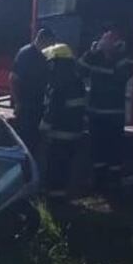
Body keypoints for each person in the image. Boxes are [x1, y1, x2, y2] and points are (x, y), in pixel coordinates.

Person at [79, 29, 133, 190]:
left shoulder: (125, 60)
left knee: (114, 148)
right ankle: (98, 181)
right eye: (104, 40)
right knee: (96, 148)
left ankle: (114, 182)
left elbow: (119, 77)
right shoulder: (95, 57)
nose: (104, 43)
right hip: (96, 113)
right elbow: (79, 70)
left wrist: (110, 55)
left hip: (114, 114)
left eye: (108, 41)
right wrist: (91, 52)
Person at [39, 44, 87, 199]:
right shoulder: (76, 80)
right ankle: (62, 194)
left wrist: (42, 129)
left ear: (55, 63)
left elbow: (53, 110)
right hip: (75, 131)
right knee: (66, 165)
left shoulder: (58, 84)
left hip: (59, 132)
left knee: (55, 165)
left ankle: (54, 198)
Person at [9, 27, 57, 153]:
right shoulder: (26, 54)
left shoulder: (46, 54)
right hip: (25, 104)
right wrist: (18, 102)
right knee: (25, 138)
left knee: (35, 137)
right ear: (42, 40)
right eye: (50, 43)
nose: (51, 47)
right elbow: (13, 79)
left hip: (38, 103)